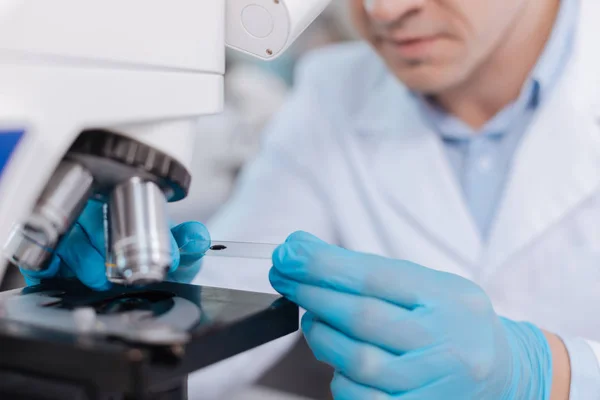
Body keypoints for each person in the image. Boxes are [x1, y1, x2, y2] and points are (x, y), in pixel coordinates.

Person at [20, 0, 600, 398]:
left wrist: (555, 377)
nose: (383, 11)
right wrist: (106, 328)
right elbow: (233, 298)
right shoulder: (334, 92)